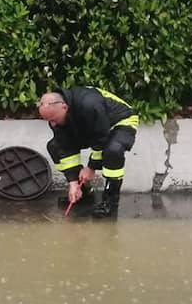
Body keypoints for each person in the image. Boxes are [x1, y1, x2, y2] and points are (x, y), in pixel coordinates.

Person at [37, 86, 138, 217]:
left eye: (54, 119)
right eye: (49, 121)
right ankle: (83, 193)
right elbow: (64, 144)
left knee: (113, 150)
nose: (53, 124)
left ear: (64, 107)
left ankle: (110, 200)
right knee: (55, 146)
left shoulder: (90, 104)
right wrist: (73, 183)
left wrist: (91, 167)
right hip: (90, 125)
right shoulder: (56, 117)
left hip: (120, 121)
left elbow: (101, 137)